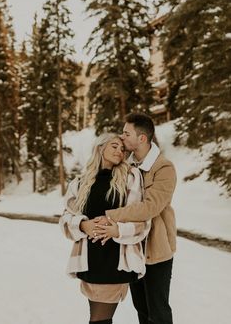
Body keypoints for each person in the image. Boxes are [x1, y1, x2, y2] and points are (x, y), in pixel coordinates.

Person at [93, 113, 177, 324]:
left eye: (126, 133)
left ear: (141, 138)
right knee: (140, 308)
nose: (122, 137)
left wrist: (111, 215)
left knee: (157, 311)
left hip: (156, 251)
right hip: (131, 248)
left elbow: (150, 207)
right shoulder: (125, 166)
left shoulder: (163, 168)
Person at [59, 133, 151, 324]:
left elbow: (142, 220)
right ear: (100, 148)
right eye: (114, 146)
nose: (120, 151)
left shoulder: (129, 178)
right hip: (89, 261)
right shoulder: (81, 182)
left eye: (122, 149)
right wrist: (83, 225)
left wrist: (117, 230)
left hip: (115, 260)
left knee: (98, 320)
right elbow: (65, 218)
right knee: (99, 320)